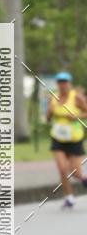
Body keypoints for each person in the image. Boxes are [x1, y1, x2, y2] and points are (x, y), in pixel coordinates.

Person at [45, 71, 87, 209]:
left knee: (76, 173)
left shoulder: (77, 98)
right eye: (60, 82)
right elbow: (48, 119)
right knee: (62, 169)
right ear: (57, 84)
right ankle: (69, 198)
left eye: (65, 82)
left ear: (70, 83)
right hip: (58, 138)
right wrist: (50, 112)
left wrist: (77, 116)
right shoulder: (53, 98)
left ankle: (83, 178)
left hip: (74, 138)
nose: (63, 85)